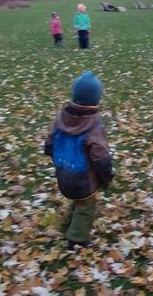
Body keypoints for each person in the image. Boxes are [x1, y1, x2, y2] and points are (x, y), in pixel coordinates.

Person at [44, 71, 114, 249]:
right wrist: (107, 176)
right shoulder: (94, 125)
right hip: (84, 179)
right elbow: (101, 156)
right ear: (96, 99)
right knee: (86, 207)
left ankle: (67, 223)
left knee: (78, 200)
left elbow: (51, 140)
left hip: (64, 172)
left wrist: (51, 153)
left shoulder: (62, 116)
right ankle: (76, 238)